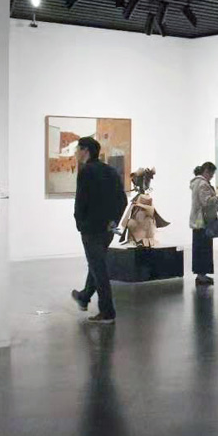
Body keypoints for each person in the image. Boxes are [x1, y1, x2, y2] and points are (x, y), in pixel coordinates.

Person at [70, 137, 128, 324]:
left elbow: (81, 201)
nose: (76, 153)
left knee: (98, 268)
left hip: (91, 229)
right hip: (108, 228)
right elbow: (122, 200)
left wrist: (80, 224)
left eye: (77, 149)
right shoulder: (110, 171)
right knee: (96, 263)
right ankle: (84, 296)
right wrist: (113, 222)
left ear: (85, 150)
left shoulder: (86, 171)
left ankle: (107, 311)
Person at [190, 162, 218, 286]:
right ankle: (201, 276)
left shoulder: (197, 183)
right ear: (206, 171)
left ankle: (201, 275)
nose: (211, 177)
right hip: (203, 221)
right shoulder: (202, 184)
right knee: (204, 249)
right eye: (211, 174)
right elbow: (207, 202)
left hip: (199, 221)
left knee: (201, 249)